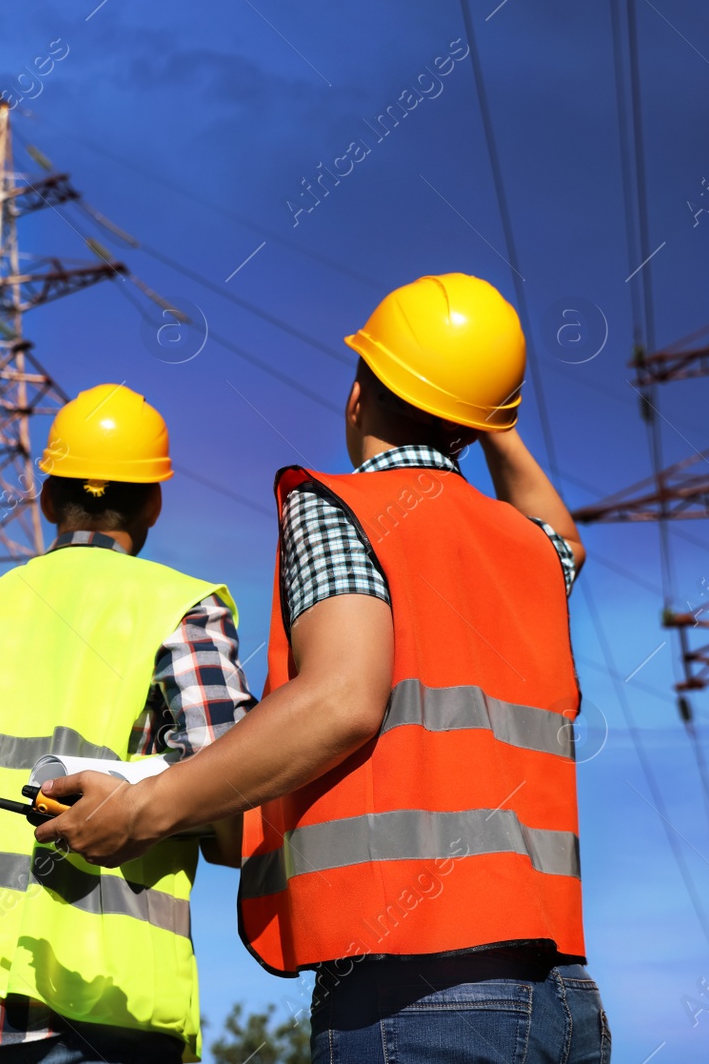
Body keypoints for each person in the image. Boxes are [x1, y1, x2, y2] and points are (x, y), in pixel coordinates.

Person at [36, 275, 610, 1063]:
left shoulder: (336, 506)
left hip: (418, 990)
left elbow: (341, 700)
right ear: (476, 429)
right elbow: (561, 531)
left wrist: (145, 808)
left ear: (357, 394)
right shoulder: (532, 551)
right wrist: (489, 417)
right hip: (563, 999)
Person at [0, 383, 255, 1064]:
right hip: (105, 1013)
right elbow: (236, 794)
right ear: (155, 501)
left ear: (48, 499)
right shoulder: (177, 608)